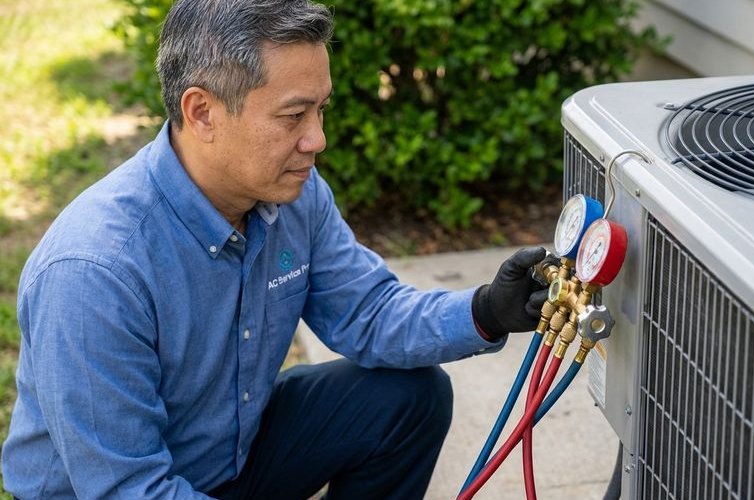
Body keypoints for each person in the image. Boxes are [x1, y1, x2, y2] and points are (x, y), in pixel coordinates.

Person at [1, 1, 552, 498]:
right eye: (293, 116)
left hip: (229, 458)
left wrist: (484, 311)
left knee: (408, 400)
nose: (317, 139)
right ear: (202, 113)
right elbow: (128, 487)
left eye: (321, 110)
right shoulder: (94, 271)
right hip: (126, 489)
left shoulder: (293, 195)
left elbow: (367, 312)